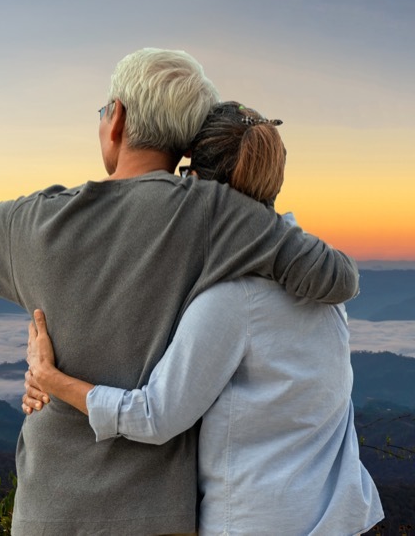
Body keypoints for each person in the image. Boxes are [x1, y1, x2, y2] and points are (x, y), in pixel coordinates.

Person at [0, 48, 360, 535]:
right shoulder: (217, 215)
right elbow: (335, 278)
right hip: (159, 515)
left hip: (49, 512)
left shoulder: (32, 222)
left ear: (117, 117)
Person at [22, 102, 384, 535]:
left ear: (193, 185)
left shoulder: (234, 300)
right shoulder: (319, 282)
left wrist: (52, 379)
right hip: (341, 519)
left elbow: (155, 417)